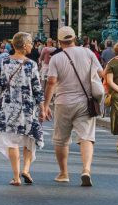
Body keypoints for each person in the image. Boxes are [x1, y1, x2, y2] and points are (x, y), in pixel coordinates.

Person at [42, 26, 103, 186]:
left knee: (61, 140)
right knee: (86, 137)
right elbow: (101, 74)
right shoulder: (89, 53)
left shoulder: (56, 58)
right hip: (85, 102)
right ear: (75, 38)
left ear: (59, 42)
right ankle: (86, 169)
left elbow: (51, 82)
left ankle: (63, 173)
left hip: (63, 103)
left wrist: (46, 105)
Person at [0, 32, 44, 186]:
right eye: (30, 43)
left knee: (11, 141)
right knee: (29, 138)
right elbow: (37, 88)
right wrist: (42, 107)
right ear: (24, 45)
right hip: (27, 107)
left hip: (9, 107)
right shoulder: (31, 65)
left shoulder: (5, 62)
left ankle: (16, 176)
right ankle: (26, 169)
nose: (32, 46)